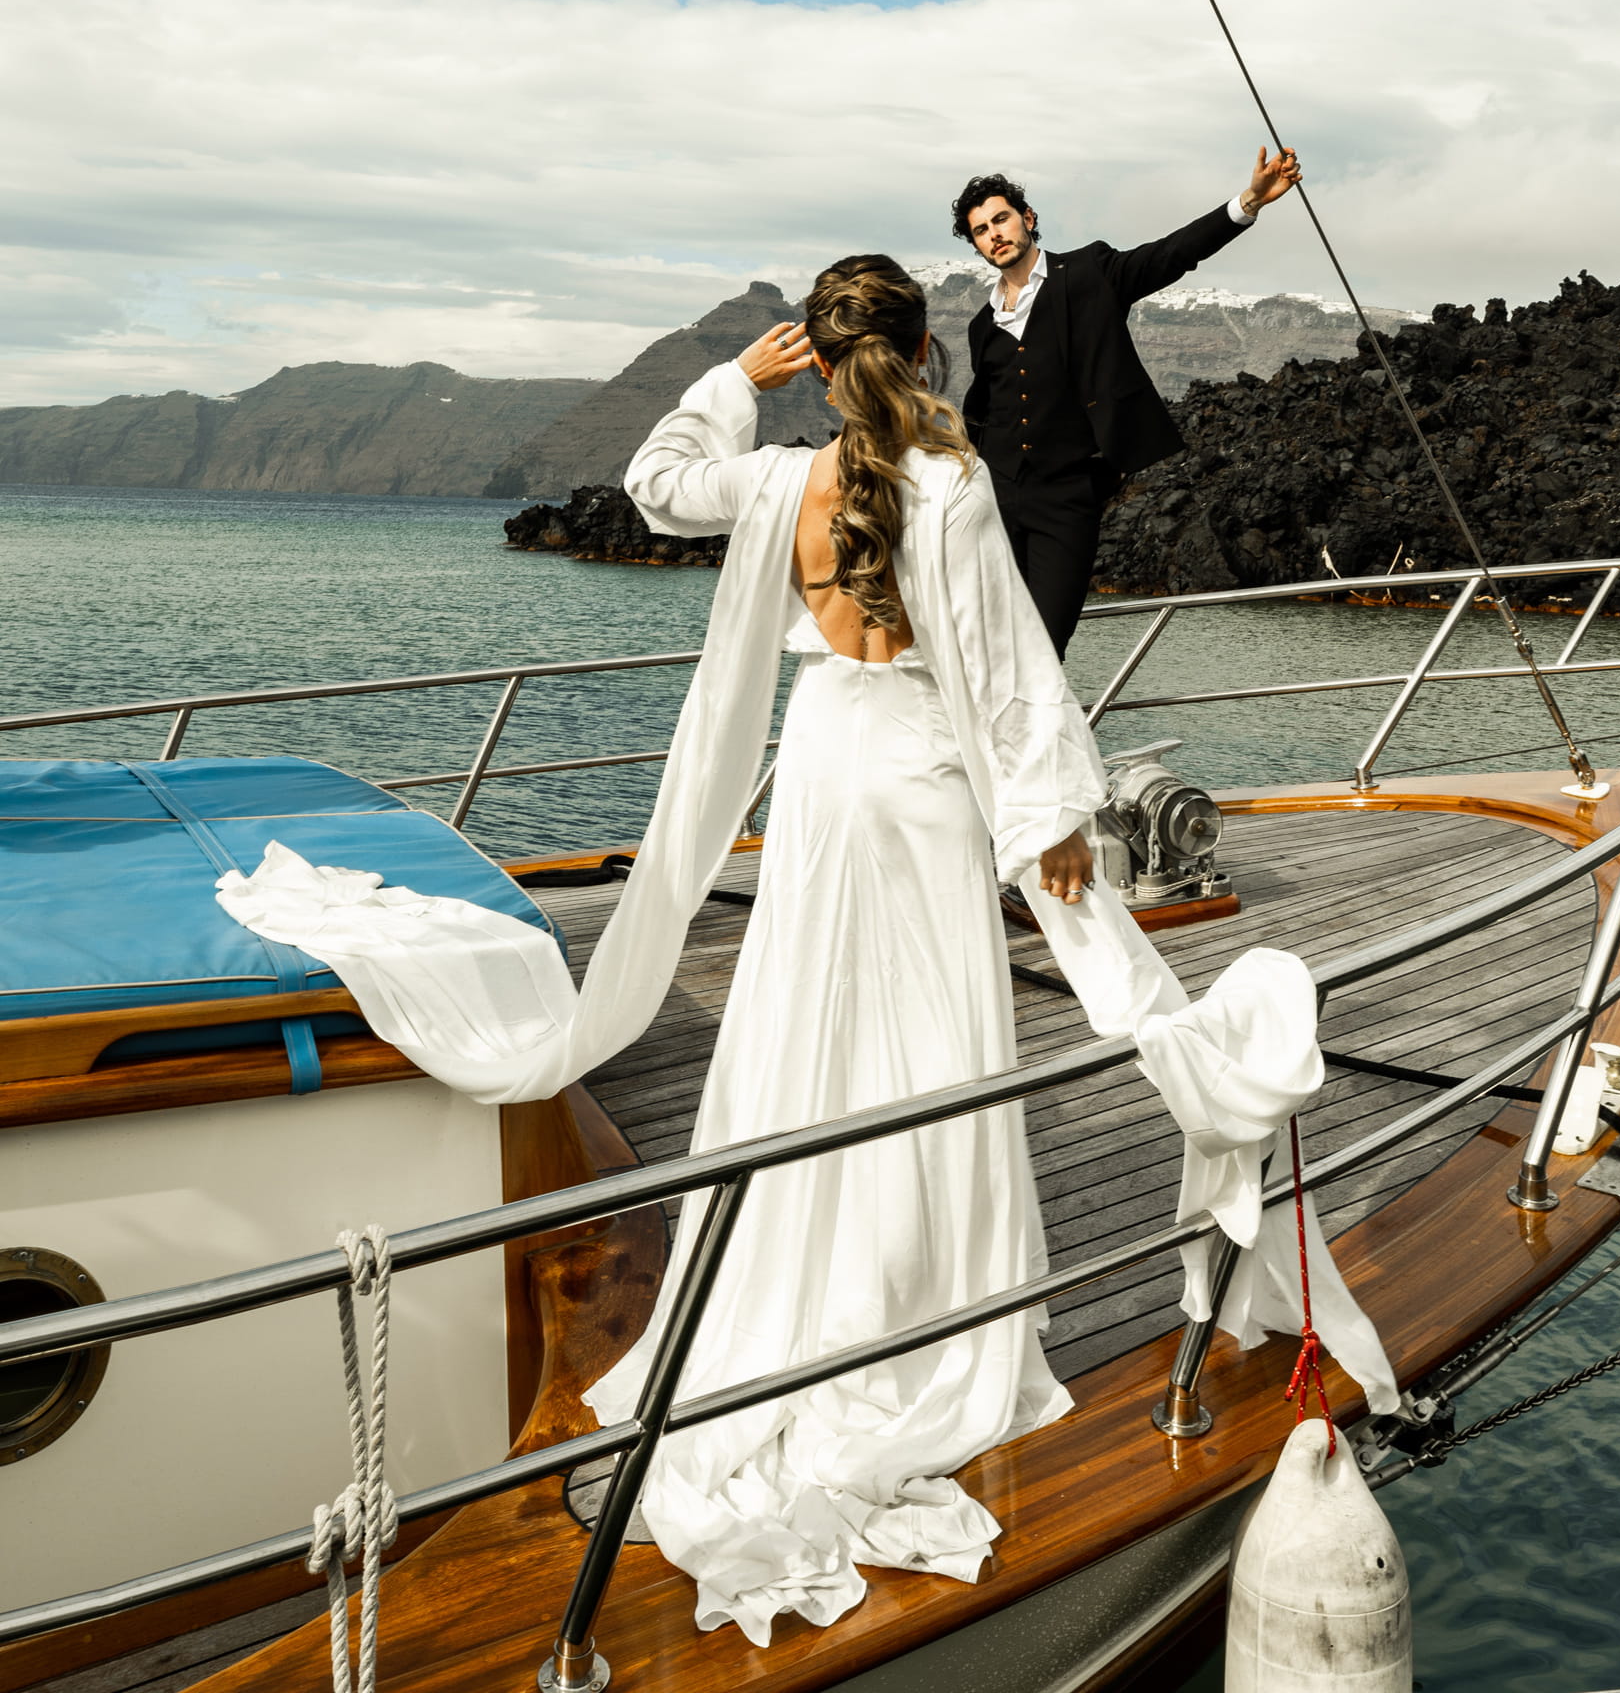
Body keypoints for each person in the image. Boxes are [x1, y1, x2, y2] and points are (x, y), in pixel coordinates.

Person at [216, 249, 1394, 1649]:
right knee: (930, 1025)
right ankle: (924, 1299)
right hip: (917, 771)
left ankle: (796, 1267)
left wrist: (734, 379)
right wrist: (1058, 822)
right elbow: (1009, 669)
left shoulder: (778, 479)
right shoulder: (953, 486)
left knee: (805, 1013)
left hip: (823, 759)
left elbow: (657, 483)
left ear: (823, 362)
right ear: (926, 353)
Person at [953, 147, 1302, 656]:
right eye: (982, 230)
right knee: (990, 644)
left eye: (1001, 219)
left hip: (1068, 497)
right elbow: (981, 412)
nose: (995, 234)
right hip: (997, 498)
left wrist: (1249, 201)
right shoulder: (982, 325)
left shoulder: (1090, 273)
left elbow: (1171, 255)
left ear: (1027, 218)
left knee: (1044, 645)